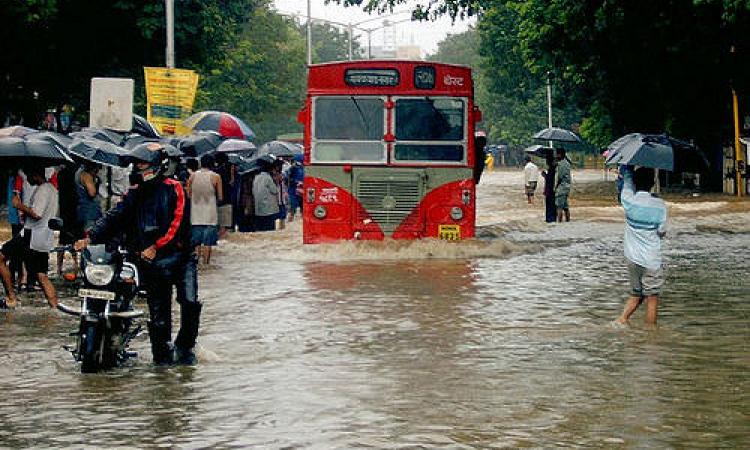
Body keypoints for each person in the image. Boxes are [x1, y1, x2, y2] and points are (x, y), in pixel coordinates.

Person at [74, 143, 201, 365]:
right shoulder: (133, 193)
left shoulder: (175, 188)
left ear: (158, 166)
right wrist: (90, 237)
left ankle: (185, 346)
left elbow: (178, 222)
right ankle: (161, 360)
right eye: (137, 164)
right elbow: (114, 216)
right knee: (159, 314)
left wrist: (156, 246)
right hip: (151, 261)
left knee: (189, 302)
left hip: (180, 257)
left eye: (143, 164)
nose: (139, 168)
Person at [0, 166, 59, 310]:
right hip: (42, 237)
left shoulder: (43, 190)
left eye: (28, 176)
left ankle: (11, 297)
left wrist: (19, 205)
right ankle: (55, 308)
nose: (27, 179)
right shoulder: (52, 189)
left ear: (35, 174)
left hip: (30, 234)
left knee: (0, 257)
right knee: (42, 275)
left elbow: (37, 214)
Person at [616, 166, 667, 326]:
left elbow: (627, 180)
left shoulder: (628, 200)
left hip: (632, 258)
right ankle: (650, 335)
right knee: (652, 298)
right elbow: (662, 231)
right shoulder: (659, 205)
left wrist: (627, 166)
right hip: (651, 259)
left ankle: (621, 321)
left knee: (636, 294)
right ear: (653, 182)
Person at [187, 154, 222, 265]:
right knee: (208, 242)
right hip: (210, 214)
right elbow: (220, 197)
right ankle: (206, 264)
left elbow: (188, 194)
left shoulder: (192, 176)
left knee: (196, 242)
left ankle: (196, 263)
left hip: (195, 213)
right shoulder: (216, 177)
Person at [252, 159, 279, 232]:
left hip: (258, 209)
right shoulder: (268, 178)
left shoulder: (256, 177)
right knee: (270, 232)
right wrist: (276, 181)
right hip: (268, 210)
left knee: (261, 231)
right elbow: (275, 190)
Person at [75, 162, 103, 231]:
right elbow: (92, 193)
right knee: (90, 235)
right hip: (90, 212)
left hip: (84, 210)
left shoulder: (79, 172)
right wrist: (97, 183)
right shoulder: (86, 175)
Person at [214, 153, 234, 238]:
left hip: (215, 202)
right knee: (224, 229)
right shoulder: (224, 170)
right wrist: (232, 173)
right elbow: (230, 184)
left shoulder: (214, 171)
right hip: (226, 201)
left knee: (218, 228)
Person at [554, 148, 572, 222]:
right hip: (566, 187)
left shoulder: (561, 164)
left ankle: (559, 223)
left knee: (559, 207)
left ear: (560, 154)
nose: (556, 155)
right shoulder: (566, 163)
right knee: (565, 207)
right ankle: (568, 222)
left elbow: (559, 177)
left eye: (557, 154)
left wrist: (555, 187)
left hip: (562, 187)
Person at [287, 153, 304, 222]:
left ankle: (302, 221)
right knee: (292, 208)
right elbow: (288, 179)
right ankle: (290, 220)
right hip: (293, 191)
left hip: (303, 191)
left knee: (303, 208)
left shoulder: (305, 168)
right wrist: (296, 182)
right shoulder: (293, 168)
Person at [541, 155, 557, 223]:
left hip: (550, 190)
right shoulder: (553, 169)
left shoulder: (552, 169)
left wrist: (545, 175)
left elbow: (550, 180)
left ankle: (550, 219)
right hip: (551, 190)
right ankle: (551, 218)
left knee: (549, 205)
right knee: (551, 205)